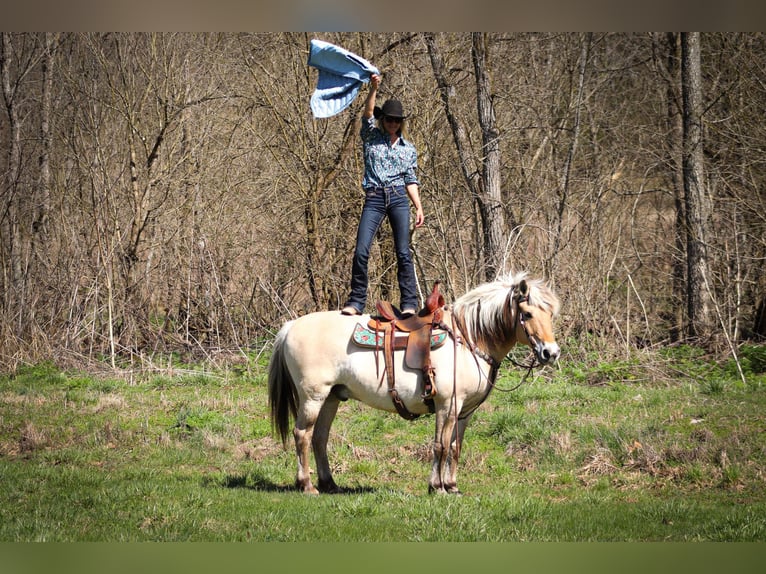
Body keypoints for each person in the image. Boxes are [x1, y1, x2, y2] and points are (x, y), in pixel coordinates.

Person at [341, 74, 425, 317]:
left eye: (396, 121)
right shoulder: (371, 137)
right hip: (375, 197)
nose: (392, 123)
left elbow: (411, 179)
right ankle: (356, 301)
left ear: (401, 123)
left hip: (399, 197)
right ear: (383, 120)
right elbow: (367, 114)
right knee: (361, 250)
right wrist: (373, 89)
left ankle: (409, 303)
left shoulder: (408, 149)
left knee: (403, 252)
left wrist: (418, 207)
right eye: (388, 119)